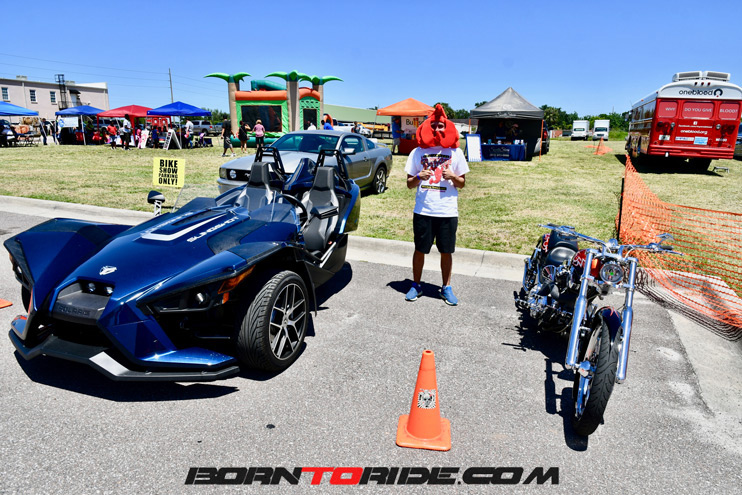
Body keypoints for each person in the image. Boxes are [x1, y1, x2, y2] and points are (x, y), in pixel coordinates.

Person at [404, 104, 469, 306]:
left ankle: (446, 287)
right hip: (423, 210)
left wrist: (453, 176)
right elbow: (409, 184)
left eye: (441, 126)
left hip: (447, 211)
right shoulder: (417, 152)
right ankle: (416, 285)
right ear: (427, 127)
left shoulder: (455, 152)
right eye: (433, 125)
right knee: (420, 249)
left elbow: (462, 183)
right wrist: (418, 177)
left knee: (446, 251)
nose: (437, 129)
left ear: (447, 127)